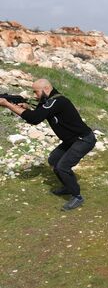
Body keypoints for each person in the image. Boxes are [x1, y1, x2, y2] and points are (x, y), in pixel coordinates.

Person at [0, 79, 96, 210]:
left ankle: (77, 196)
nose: (34, 95)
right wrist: (26, 108)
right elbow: (37, 114)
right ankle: (68, 187)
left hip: (83, 140)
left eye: (36, 91)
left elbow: (34, 119)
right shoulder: (48, 101)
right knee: (54, 160)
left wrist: (7, 104)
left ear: (45, 89)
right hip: (72, 140)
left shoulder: (57, 101)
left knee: (63, 166)